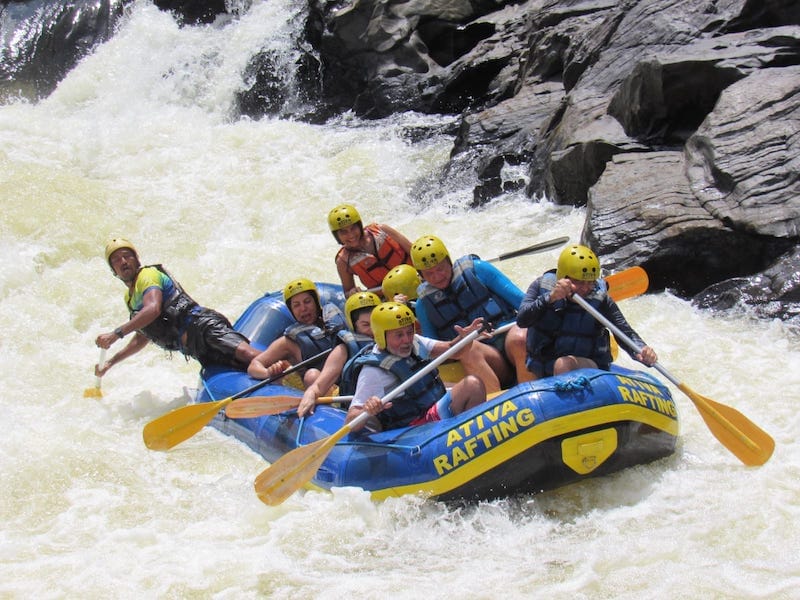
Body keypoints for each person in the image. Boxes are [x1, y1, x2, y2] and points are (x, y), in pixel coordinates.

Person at [95, 238, 261, 375]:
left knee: (249, 355)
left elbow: (153, 309)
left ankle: (284, 367)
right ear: (113, 270)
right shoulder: (130, 298)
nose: (123, 261)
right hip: (196, 348)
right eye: (116, 260)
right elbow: (141, 337)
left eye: (127, 256)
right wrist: (111, 362)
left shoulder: (147, 276)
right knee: (240, 369)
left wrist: (116, 334)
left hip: (203, 326)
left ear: (136, 259)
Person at [411, 234, 532, 393]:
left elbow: (523, 303)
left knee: (519, 337)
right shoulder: (424, 305)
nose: (437, 276)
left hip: (511, 343)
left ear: (449, 261)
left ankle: (531, 391)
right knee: (467, 348)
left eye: (440, 268)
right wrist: (460, 341)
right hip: (486, 361)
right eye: (429, 274)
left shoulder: (479, 269)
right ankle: (496, 406)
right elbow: (433, 352)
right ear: (421, 276)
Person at [516, 244, 657, 378]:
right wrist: (550, 298)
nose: (585, 288)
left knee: (563, 364)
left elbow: (624, 331)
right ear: (563, 277)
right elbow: (522, 319)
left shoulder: (601, 299)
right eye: (579, 282)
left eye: (590, 282)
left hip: (588, 365)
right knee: (516, 339)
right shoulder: (542, 286)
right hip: (545, 364)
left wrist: (641, 351)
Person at [345, 302, 487, 432]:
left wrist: (466, 338)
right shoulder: (373, 371)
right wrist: (366, 410)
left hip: (433, 411)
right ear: (381, 337)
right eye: (399, 335)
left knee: (470, 384)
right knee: (472, 386)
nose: (407, 340)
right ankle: (475, 437)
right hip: (414, 430)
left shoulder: (416, 342)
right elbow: (351, 422)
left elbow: (453, 351)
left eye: (409, 332)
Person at [297, 291, 381, 417]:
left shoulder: (395, 338)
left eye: (376, 322)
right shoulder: (343, 349)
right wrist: (311, 394)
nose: (373, 330)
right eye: (366, 325)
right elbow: (318, 387)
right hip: (360, 408)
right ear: (354, 326)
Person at [247, 278, 345, 386]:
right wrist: (268, 372)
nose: (303, 308)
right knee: (312, 375)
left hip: (351, 377)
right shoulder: (287, 342)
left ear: (316, 302)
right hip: (325, 387)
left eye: (307, 302)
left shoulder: (338, 320)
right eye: (296, 305)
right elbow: (254, 366)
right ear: (291, 310)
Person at [328, 203, 414, 296]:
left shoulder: (382, 230)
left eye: (353, 228)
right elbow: (348, 293)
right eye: (344, 232)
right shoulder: (343, 261)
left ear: (359, 226)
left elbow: (413, 251)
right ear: (337, 236)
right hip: (388, 298)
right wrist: (352, 293)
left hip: (415, 281)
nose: (351, 235)